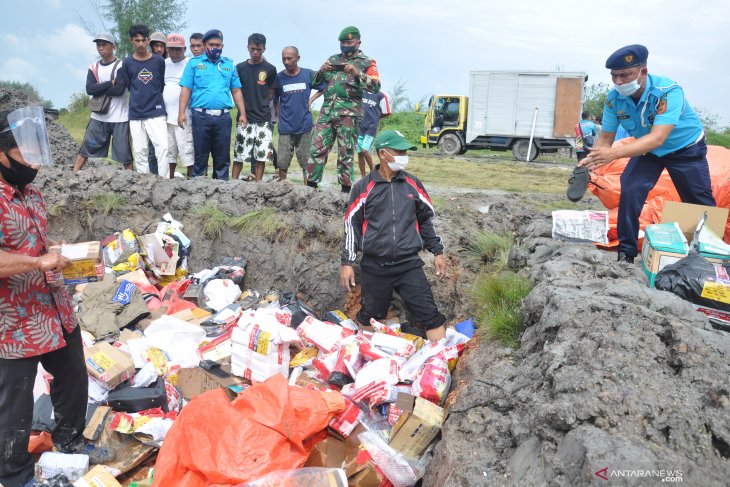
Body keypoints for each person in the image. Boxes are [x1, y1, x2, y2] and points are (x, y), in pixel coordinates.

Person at [0, 107, 115, 487]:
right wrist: (38, 259)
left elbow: (31, 242)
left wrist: (56, 251)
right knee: (13, 403)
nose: (33, 163)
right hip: (14, 320)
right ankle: (14, 474)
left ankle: (69, 441)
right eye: (24, 155)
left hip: (53, 308)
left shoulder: (30, 192)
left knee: (72, 376)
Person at [579, 44, 715, 263]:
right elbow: (606, 138)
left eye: (625, 75)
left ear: (643, 71)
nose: (619, 82)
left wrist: (614, 155)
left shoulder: (668, 92)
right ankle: (626, 253)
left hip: (685, 148)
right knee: (630, 188)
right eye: (614, 76)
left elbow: (658, 137)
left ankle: (709, 255)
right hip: (649, 151)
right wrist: (591, 161)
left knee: (698, 200)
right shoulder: (613, 99)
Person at [340, 129, 447, 342]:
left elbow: (426, 220)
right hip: (374, 265)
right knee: (370, 316)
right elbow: (351, 225)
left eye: (405, 151)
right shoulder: (363, 187)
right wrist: (347, 262)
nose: (404, 156)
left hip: (408, 264)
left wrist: (438, 251)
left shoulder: (412, 184)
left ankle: (439, 367)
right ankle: (362, 360)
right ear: (382, 154)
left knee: (430, 316)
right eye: (399, 151)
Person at [306, 26, 381, 193]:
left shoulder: (367, 62)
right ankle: (310, 187)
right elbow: (316, 82)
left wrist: (356, 72)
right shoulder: (333, 59)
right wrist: (321, 70)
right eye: (342, 42)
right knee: (317, 149)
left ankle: (346, 191)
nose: (345, 44)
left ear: (358, 42)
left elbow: (375, 87)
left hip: (349, 115)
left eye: (349, 41)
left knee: (345, 152)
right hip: (327, 113)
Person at [178, 29, 247, 180]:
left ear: (222, 46)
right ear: (204, 45)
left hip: (223, 118)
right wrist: (181, 113)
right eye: (211, 44)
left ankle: (221, 190)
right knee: (201, 155)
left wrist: (242, 113)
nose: (214, 47)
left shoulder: (228, 64)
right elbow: (186, 90)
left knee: (222, 156)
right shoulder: (194, 64)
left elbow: (236, 91)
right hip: (201, 116)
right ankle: (199, 190)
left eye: (218, 45)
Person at [73, 33, 131, 172]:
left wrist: (100, 87)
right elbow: (89, 89)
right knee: (86, 147)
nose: (101, 47)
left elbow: (119, 90)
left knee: (125, 154)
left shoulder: (121, 65)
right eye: (98, 45)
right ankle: (74, 174)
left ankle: (132, 179)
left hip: (120, 117)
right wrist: (110, 82)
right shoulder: (94, 67)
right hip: (98, 117)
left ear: (113, 46)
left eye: (104, 44)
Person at [119, 24, 169, 176]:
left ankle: (164, 182)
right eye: (137, 40)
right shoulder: (127, 63)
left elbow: (160, 85)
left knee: (162, 147)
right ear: (131, 41)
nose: (140, 44)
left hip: (156, 111)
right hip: (136, 113)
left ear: (148, 41)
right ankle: (143, 183)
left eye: (143, 40)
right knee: (140, 150)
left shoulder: (158, 61)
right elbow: (130, 85)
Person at [273, 46, 323, 182]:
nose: (286, 61)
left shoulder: (308, 74)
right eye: (284, 58)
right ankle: (282, 188)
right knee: (282, 162)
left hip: (304, 126)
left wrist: (311, 99)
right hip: (286, 128)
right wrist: (278, 115)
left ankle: (308, 190)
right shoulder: (279, 78)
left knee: (307, 163)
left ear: (298, 58)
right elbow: (274, 99)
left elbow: (324, 87)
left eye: (290, 58)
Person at [233, 33, 277, 182]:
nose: (255, 52)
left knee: (261, 154)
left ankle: (258, 184)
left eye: (258, 49)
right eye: (252, 49)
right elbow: (236, 91)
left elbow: (270, 93)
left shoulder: (270, 69)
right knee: (239, 154)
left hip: (264, 118)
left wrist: (261, 102)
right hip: (244, 117)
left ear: (264, 48)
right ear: (247, 48)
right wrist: (243, 112)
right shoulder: (239, 68)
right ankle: (233, 183)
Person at [163, 33, 193, 178]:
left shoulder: (190, 64)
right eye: (171, 49)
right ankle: (170, 177)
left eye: (178, 49)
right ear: (167, 49)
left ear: (184, 49)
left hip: (184, 115)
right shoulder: (164, 64)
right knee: (169, 150)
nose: (174, 52)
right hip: (166, 116)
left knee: (186, 148)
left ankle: (190, 178)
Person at [357, 90, 391, 177]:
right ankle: (363, 177)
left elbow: (387, 112)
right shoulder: (361, 92)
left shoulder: (381, 96)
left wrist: (376, 117)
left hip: (371, 128)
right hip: (359, 127)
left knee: (364, 151)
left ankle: (373, 172)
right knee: (360, 153)